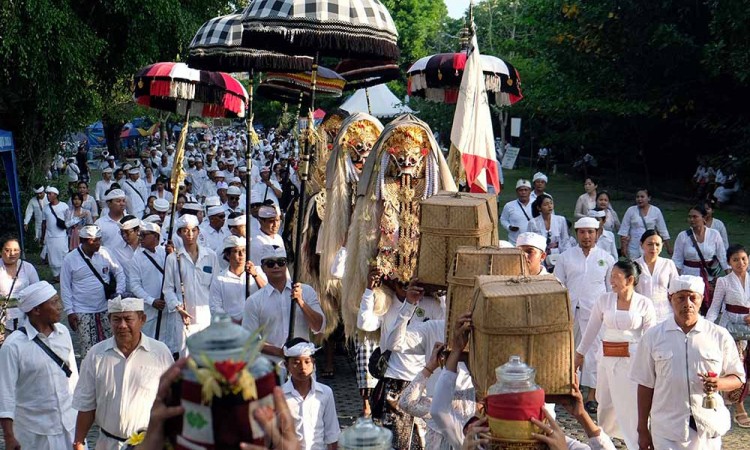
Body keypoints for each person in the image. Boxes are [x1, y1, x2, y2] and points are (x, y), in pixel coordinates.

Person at [630, 275, 745, 450]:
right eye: (681, 298)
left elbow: (737, 377)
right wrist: (642, 429)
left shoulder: (718, 335)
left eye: (693, 297)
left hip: (708, 428)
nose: (687, 303)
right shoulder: (653, 337)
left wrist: (718, 383)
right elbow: (645, 384)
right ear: (670, 299)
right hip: (667, 429)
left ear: (701, 300)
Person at [357, 270, 445, 450]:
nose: (407, 288)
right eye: (402, 284)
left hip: (423, 383)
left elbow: (443, 334)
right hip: (394, 382)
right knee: (397, 445)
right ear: (392, 282)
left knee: (424, 441)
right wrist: (368, 290)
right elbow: (365, 324)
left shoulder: (432, 305)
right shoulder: (386, 301)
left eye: (412, 284)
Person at [72, 296, 173, 450]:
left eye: (128, 319)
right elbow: (86, 404)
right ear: (109, 321)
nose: (122, 325)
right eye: (116, 319)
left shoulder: (160, 353)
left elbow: (172, 400)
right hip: (107, 444)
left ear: (142, 319)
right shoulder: (96, 354)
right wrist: (79, 442)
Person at [574, 260, 656, 449]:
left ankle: (637, 441)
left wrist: (651, 363)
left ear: (630, 280)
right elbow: (591, 330)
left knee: (632, 402)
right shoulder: (604, 300)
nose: (611, 281)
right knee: (605, 401)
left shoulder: (644, 304)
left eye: (616, 277)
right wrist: (580, 354)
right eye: (611, 276)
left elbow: (650, 337)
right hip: (607, 357)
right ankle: (604, 440)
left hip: (633, 359)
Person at [0, 281, 78, 450]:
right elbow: (5, 394)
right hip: (35, 434)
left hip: (69, 427)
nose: (60, 307)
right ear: (36, 310)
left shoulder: (63, 333)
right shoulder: (13, 346)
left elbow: (73, 378)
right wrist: (9, 437)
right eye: (54, 302)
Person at [554, 217, 615, 411]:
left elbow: (610, 289)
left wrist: (608, 312)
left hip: (596, 313)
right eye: (582, 232)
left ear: (597, 233)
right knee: (569, 350)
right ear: (576, 234)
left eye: (590, 232)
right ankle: (570, 390)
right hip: (570, 310)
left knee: (594, 352)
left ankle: (592, 394)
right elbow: (557, 284)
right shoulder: (566, 257)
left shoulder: (607, 258)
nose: (586, 236)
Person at [243, 245, 324, 360]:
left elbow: (319, 327)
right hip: (272, 367)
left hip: (302, 365)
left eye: (281, 262)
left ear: (286, 265)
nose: (276, 266)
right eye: (270, 263)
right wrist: (282, 352)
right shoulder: (254, 301)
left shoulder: (306, 291)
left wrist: (301, 303)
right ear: (263, 268)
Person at [61, 225, 125, 357]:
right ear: (82, 241)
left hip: (105, 308)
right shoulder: (70, 259)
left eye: (99, 240)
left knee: (110, 345)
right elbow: (65, 286)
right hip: (82, 310)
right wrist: (70, 311)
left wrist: (119, 293)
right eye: (93, 240)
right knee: (88, 348)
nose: (97, 243)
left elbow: (119, 272)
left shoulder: (105, 253)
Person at [705, 244, 750, 428]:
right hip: (731, 330)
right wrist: (706, 326)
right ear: (729, 262)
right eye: (735, 260)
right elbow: (715, 307)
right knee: (736, 365)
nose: (740, 263)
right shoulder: (724, 281)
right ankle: (739, 408)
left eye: (743, 259)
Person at [163, 214, 219, 355]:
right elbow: (168, 289)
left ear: (198, 231)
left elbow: (216, 288)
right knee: (186, 360)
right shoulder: (173, 259)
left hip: (207, 317)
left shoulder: (210, 256)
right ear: (179, 233)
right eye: (185, 231)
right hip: (184, 318)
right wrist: (177, 306)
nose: (190, 234)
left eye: (193, 230)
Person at [282, 339, 340, 450]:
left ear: (313, 363)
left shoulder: (325, 393)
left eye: (307, 362)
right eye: (296, 362)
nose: (302, 367)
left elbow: (332, 433)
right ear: (286, 365)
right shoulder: (280, 396)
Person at [672, 205, 729, 310]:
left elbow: (722, 257)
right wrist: (674, 280)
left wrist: (731, 277)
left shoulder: (714, 234)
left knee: (710, 309)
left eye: (695, 217)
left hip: (709, 278)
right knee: (690, 307)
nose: (691, 220)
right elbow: (677, 260)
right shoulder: (683, 236)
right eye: (689, 217)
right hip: (688, 277)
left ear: (704, 218)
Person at [209, 235, 264, 323]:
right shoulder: (220, 279)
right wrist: (234, 322)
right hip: (231, 328)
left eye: (243, 251)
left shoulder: (257, 271)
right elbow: (215, 308)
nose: (241, 255)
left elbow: (267, 292)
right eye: (236, 251)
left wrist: (255, 275)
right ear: (227, 255)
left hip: (255, 324)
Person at [634, 230, 679, 324]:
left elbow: (676, 289)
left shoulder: (668, 264)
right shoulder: (634, 265)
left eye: (657, 244)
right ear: (641, 244)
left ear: (662, 246)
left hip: (665, 313)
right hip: (640, 312)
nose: (654, 248)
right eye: (650, 244)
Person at [618, 188, 671, 259]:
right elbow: (624, 230)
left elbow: (663, 230)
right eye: (637, 197)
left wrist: (668, 247)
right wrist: (623, 247)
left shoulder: (656, 211)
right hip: (633, 247)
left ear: (649, 198)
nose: (639, 199)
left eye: (642, 197)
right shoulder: (631, 210)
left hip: (650, 245)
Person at [0, 238, 40, 333]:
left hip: (26, 321)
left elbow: (37, 293)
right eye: (7, 250)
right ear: (1, 251)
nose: (12, 253)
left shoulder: (28, 268)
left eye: (16, 250)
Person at [526, 193, 570, 258]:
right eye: (546, 204)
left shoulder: (561, 220)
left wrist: (565, 256)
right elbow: (530, 242)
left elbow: (565, 240)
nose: (550, 206)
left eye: (551, 203)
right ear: (539, 208)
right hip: (540, 256)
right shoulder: (533, 223)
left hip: (558, 254)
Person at [41, 186, 69, 281]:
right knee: (52, 257)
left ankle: (64, 275)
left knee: (63, 255)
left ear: (56, 195)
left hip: (61, 236)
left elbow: (68, 220)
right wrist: (42, 237)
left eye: (50, 194)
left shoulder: (64, 206)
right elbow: (44, 223)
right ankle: (56, 276)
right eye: (47, 194)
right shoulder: (45, 208)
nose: (48, 196)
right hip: (50, 237)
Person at [500, 179, 533, 245]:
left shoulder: (537, 204)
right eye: (521, 190)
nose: (523, 192)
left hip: (533, 243)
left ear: (530, 191)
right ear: (517, 192)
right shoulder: (509, 205)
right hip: (514, 242)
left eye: (526, 190)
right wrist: (509, 227)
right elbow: (503, 219)